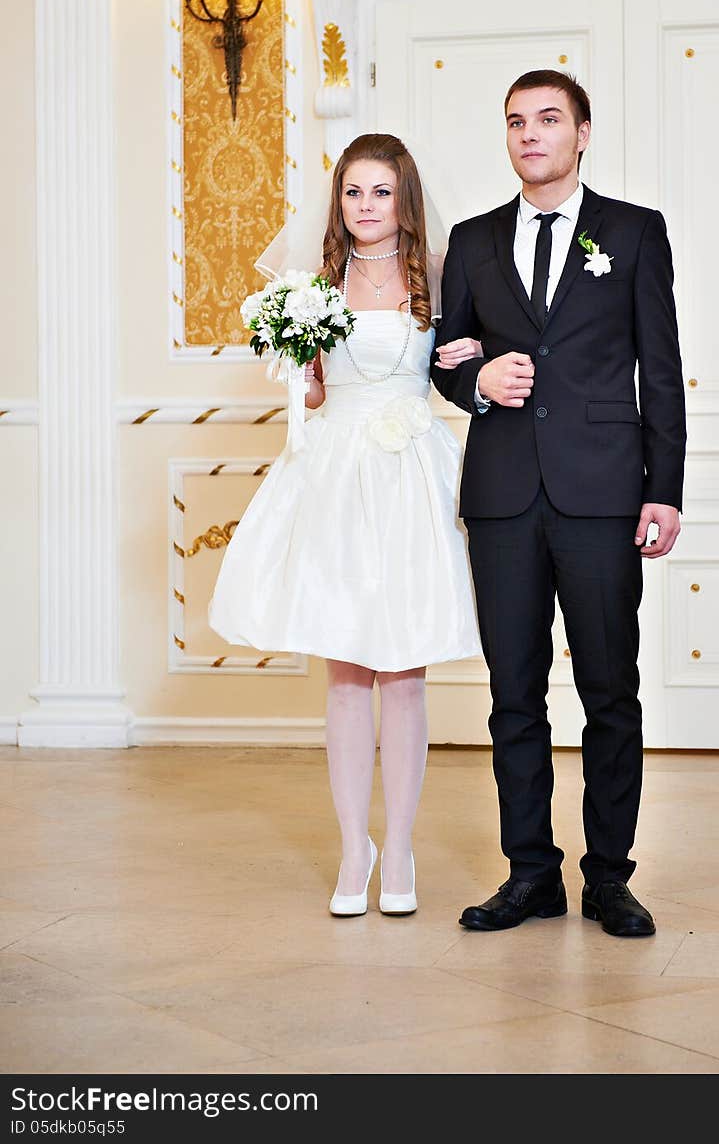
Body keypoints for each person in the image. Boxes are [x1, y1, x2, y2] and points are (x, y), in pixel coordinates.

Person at [430, 70, 686, 936]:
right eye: (515, 121)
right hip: (504, 496)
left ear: (582, 133)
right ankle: (530, 873)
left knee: (611, 689)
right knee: (514, 693)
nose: (530, 134)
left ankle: (609, 877)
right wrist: (476, 381)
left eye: (548, 120)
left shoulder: (635, 233)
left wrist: (666, 490)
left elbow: (662, 367)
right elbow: (445, 357)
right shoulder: (470, 240)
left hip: (605, 493)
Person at [209, 133, 482, 918]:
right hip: (335, 474)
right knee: (346, 674)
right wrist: (301, 370)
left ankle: (399, 847)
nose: (366, 207)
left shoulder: (439, 274)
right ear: (339, 203)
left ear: (405, 198)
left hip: (411, 477)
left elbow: (458, 370)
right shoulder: (316, 284)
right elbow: (318, 397)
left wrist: (465, 354)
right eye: (353, 193)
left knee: (404, 670)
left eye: (381, 192)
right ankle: (351, 847)